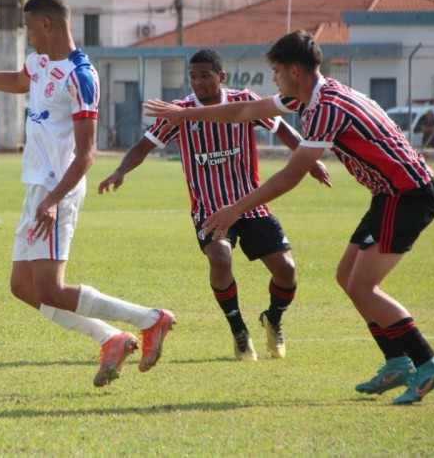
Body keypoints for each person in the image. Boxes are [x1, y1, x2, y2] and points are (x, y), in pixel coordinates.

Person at [143, 30, 434, 405]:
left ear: (293, 70)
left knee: (364, 286)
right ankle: (397, 360)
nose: (272, 78)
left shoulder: (327, 107)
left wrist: (235, 208)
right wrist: (187, 113)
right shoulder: (309, 94)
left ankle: (428, 362)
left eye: (275, 70)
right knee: (347, 278)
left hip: (407, 194)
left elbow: (290, 175)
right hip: (390, 194)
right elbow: (243, 111)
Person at [0, 0, 174, 388]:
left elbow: (87, 154)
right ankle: (110, 337)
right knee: (23, 287)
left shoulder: (82, 76)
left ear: (47, 24)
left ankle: (151, 319)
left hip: (57, 190)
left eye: (28, 27)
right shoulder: (41, 61)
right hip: (37, 189)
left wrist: (53, 199)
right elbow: (16, 80)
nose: (26, 35)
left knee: (51, 288)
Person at [99, 48, 331, 361]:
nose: (198, 82)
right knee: (220, 257)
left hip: (251, 204)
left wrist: (311, 162)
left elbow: (283, 129)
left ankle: (272, 318)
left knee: (286, 271)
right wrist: (120, 170)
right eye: (193, 76)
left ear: (221, 77)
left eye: (205, 75)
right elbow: (142, 147)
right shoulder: (180, 112)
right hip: (208, 208)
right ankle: (238, 330)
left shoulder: (244, 102)